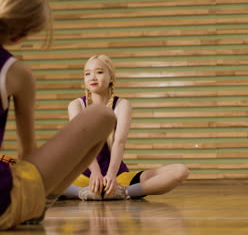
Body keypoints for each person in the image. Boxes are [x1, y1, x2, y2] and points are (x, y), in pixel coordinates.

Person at [0, 0, 117, 229]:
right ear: (22, 34)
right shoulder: (15, 73)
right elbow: (27, 153)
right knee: (102, 116)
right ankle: (40, 203)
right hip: (3, 204)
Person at [62, 55, 189, 201]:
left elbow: (119, 142)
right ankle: (82, 192)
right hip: (83, 176)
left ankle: (123, 193)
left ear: (111, 77)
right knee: (39, 179)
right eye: (87, 73)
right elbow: (82, 144)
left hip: (118, 176)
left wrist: (110, 176)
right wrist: (95, 173)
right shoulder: (76, 105)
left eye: (99, 72)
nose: (93, 77)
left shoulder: (122, 105)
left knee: (180, 171)